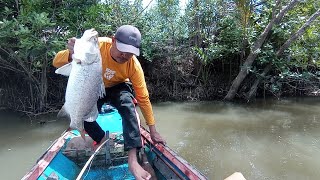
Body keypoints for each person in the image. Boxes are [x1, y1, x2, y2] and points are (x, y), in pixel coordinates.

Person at [53, 25, 166, 180]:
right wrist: (71, 53)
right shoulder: (94, 46)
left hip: (118, 87)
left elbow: (143, 98)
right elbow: (56, 61)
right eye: (122, 49)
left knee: (128, 105)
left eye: (130, 53)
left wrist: (152, 130)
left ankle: (132, 160)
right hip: (93, 87)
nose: (125, 55)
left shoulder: (133, 65)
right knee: (83, 115)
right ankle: (101, 139)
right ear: (113, 41)